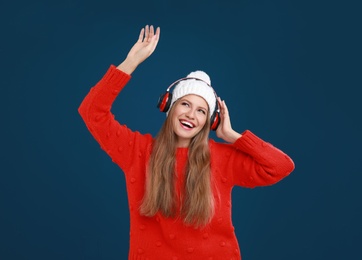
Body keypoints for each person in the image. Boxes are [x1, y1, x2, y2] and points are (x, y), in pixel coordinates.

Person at [78, 25, 294, 260]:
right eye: (185, 104)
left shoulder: (222, 157)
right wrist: (131, 62)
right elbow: (91, 112)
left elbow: (281, 166)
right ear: (168, 106)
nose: (192, 114)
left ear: (209, 122)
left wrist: (233, 135)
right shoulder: (138, 151)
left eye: (202, 111)